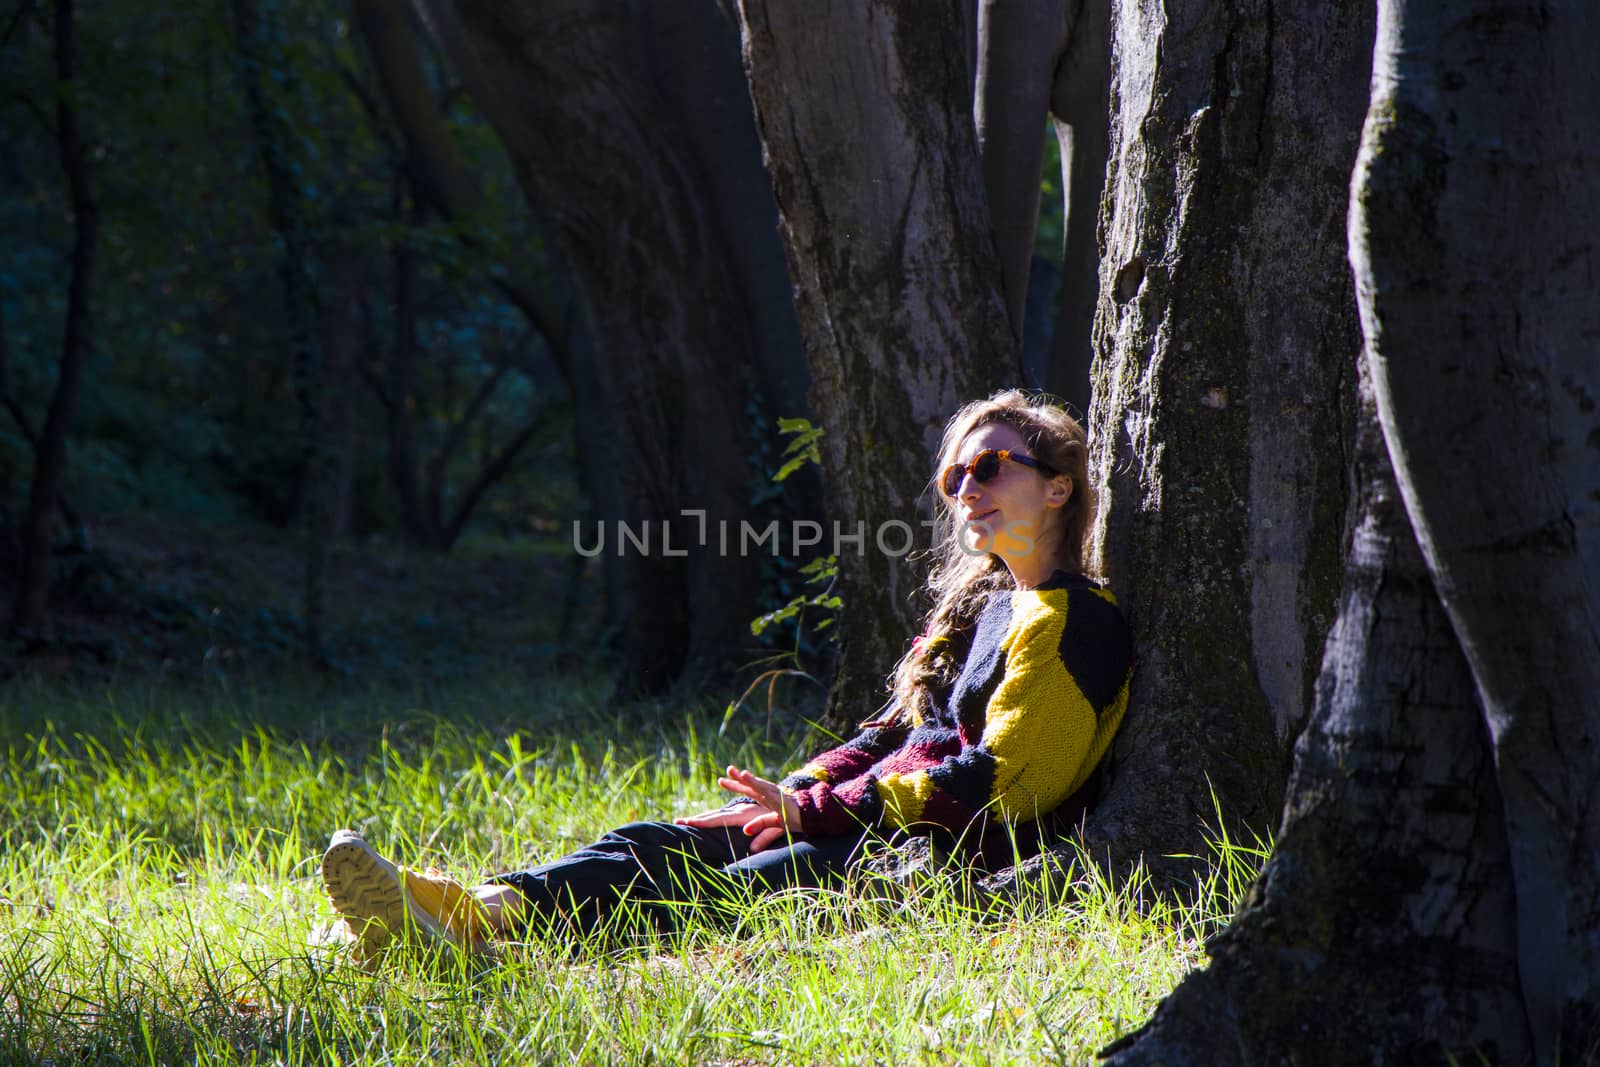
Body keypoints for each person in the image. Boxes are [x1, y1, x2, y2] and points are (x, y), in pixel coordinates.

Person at [320, 390, 1134, 958]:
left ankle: (461, 940)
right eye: (954, 478)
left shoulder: (1077, 622)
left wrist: (818, 812)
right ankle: (461, 911)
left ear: (1059, 485)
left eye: (990, 467)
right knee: (663, 842)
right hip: (864, 824)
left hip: (934, 857)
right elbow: (892, 736)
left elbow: (1012, 780)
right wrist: (795, 791)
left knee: (729, 889)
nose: (966, 492)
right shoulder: (983, 609)